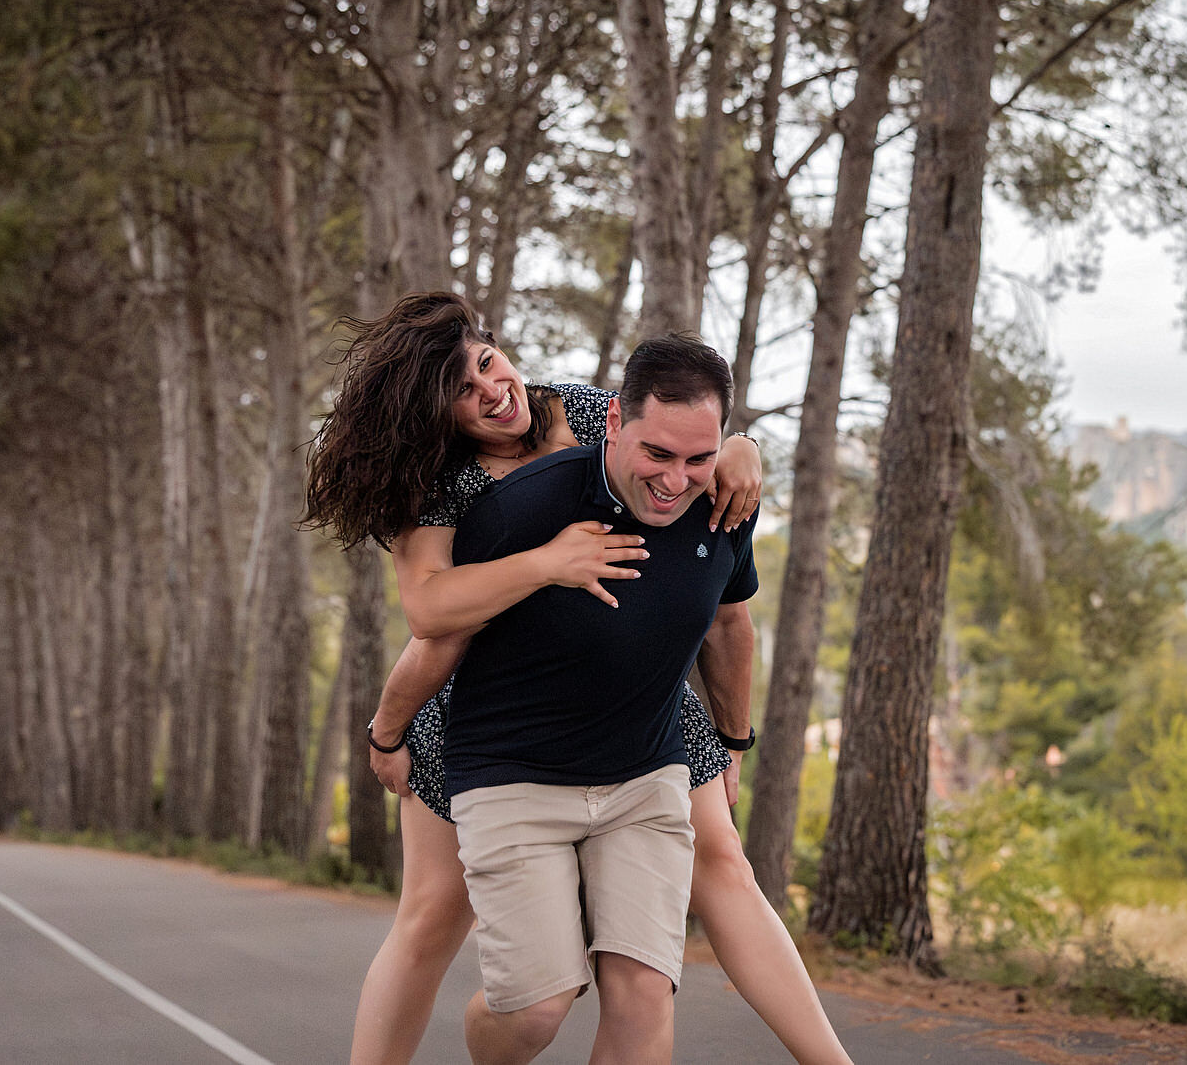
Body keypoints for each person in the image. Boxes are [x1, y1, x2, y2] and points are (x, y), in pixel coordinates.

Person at [303, 292, 851, 1065]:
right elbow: (430, 613)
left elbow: (678, 438)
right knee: (431, 916)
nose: (493, 390)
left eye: (487, 364)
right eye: (462, 391)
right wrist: (388, 727)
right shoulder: (442, 481)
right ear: (435, 416)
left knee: (725, 864)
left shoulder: (591, 411)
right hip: (489, 692)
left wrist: (742, 447)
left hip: (634, 682)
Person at [445, 332, 756, 1065]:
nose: (678, 480)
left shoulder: (723, 503)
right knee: (536, 1010)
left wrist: (733, 745)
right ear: (613, 422)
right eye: (659, 454)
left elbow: (730, 626)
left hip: (642, 776)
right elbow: (433, 626)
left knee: (644, 993)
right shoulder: (507, 505)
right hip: (512, 771)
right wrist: (390, 730)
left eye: (698, 458)